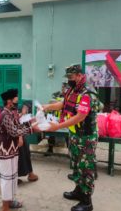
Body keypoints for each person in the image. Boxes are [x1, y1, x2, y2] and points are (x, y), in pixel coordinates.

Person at [42, 64, 101, 211]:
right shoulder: (73, 91)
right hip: (75, 135)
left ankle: (87, 202)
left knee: (86, 168)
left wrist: (58, 126)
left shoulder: (87, 94)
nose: (69, 80)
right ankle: (78, 191)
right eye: (67, 77)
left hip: (86, 137)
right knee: (76, 164)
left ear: (80, 75)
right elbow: (63, 104)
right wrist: (46, 107)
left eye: (71, 77)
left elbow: (80, 116)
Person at [0, 89, 39, 211]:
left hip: (13, 151)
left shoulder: (11, 113)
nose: (17, 101)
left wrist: (31, 122)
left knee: (13, 177)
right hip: (5, 152)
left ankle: (10, 201)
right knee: (6, 179)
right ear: (9, 101)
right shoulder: (4, 115)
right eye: (16, 99)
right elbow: (14, 132)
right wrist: (32, 129)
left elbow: (19, 126)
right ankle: (5, 206)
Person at [17, 104, 38, 183]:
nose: (26, 109)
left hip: (21, 136)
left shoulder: (23, 116)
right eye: (24, 108)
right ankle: (14, 177)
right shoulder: (12, 112)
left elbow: (24, 125)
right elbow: (15, 123)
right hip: (17, 137)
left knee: (26, 154)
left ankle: (30, 173)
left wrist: (31, 121)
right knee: (20, 156)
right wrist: (19, 136)